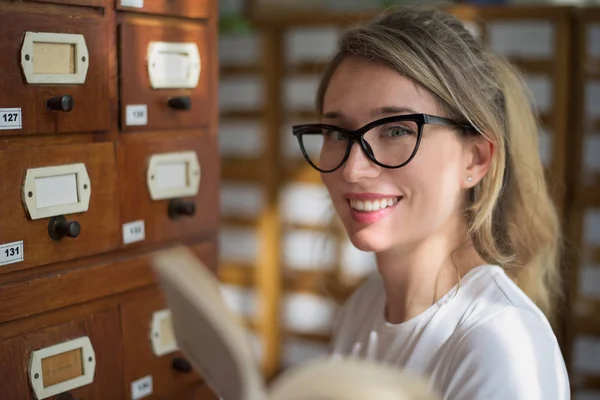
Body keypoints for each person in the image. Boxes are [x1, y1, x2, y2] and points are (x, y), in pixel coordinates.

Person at [291, 5, 570, 400]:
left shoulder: (499, 344)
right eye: (337, 132)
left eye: (397, 129)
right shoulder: (364, 308)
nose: (354, 169)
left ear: (475, 159)